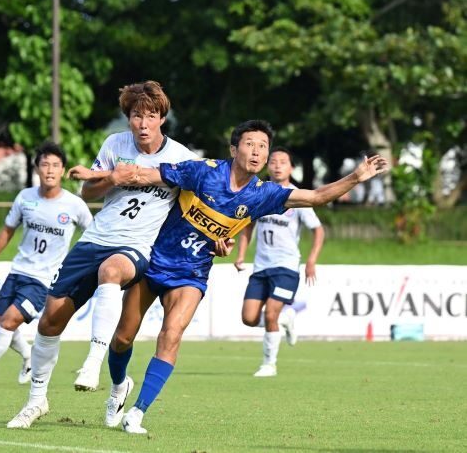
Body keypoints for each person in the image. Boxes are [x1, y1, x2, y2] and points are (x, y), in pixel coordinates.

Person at [77, 119, 387, 434]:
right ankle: (119, 387)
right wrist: (99, 175)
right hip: (156, 259)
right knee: (123, 338)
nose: (257, 152)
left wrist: (357, 177)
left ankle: (137, 413)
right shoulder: (203, 171)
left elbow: (317, 196)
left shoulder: (264, 194)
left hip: (192, 273)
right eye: (250, 144)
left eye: (263, 147)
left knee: (171, 335)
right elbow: (144, 174)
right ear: (233, 148)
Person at [6, 80, 197, 429]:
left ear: (161, 119)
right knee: (50, 320)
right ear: (128, 119)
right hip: (95, 238)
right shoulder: (114, 144)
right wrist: (113, 176)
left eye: (150, 116)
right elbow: (89, 192)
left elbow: (198, 202)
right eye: (136, 116)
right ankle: (36, 401)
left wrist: (216, 237)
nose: (142, 123)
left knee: (111, 271)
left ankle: (93, 361)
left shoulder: (181, 157)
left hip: (136, 246)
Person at [0, 141, 93, 391]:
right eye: (45, 164)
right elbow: (7, 231)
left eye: (55, 165)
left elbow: (94, 235)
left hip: (43, 281)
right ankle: (28, 357)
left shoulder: (75, 205)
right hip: (17, 272)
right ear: (37, 168)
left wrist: (80, 267)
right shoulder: (25, 198)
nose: (50, 170)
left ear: (63, 170)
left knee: (7, 323)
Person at [234, 146, 325, 377]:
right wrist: (242, 254)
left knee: (271, 314)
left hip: (286, 266)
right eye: (273, 161)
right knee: (249, 318)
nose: (276, 165)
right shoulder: (260, 192)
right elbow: (248, 224)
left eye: (282, 162)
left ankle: (269, 365)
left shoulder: (297, 196)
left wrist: (312, 260)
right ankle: (288, 317)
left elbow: (318, 230)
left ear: (291, 168)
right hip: (261, 266)